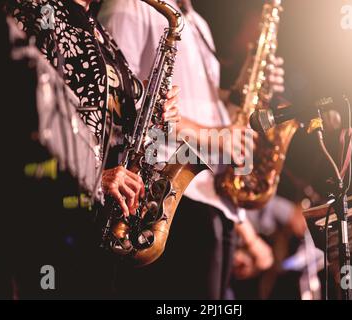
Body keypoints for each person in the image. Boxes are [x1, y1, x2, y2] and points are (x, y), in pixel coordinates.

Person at [99, 0, 285, 299]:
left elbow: (205, 108)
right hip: (167, 198)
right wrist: (213, 138)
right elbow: (121, 107)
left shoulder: (196, 21)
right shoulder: (131, 6)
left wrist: (247, 90)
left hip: (212, 198)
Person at [3, 0, 181, 296]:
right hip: (50, 214)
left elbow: (109, 114)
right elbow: (17, 115)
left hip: (98, 220)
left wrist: (154, 107)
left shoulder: (98, 31)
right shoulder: (35, 10)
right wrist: (96, 176)